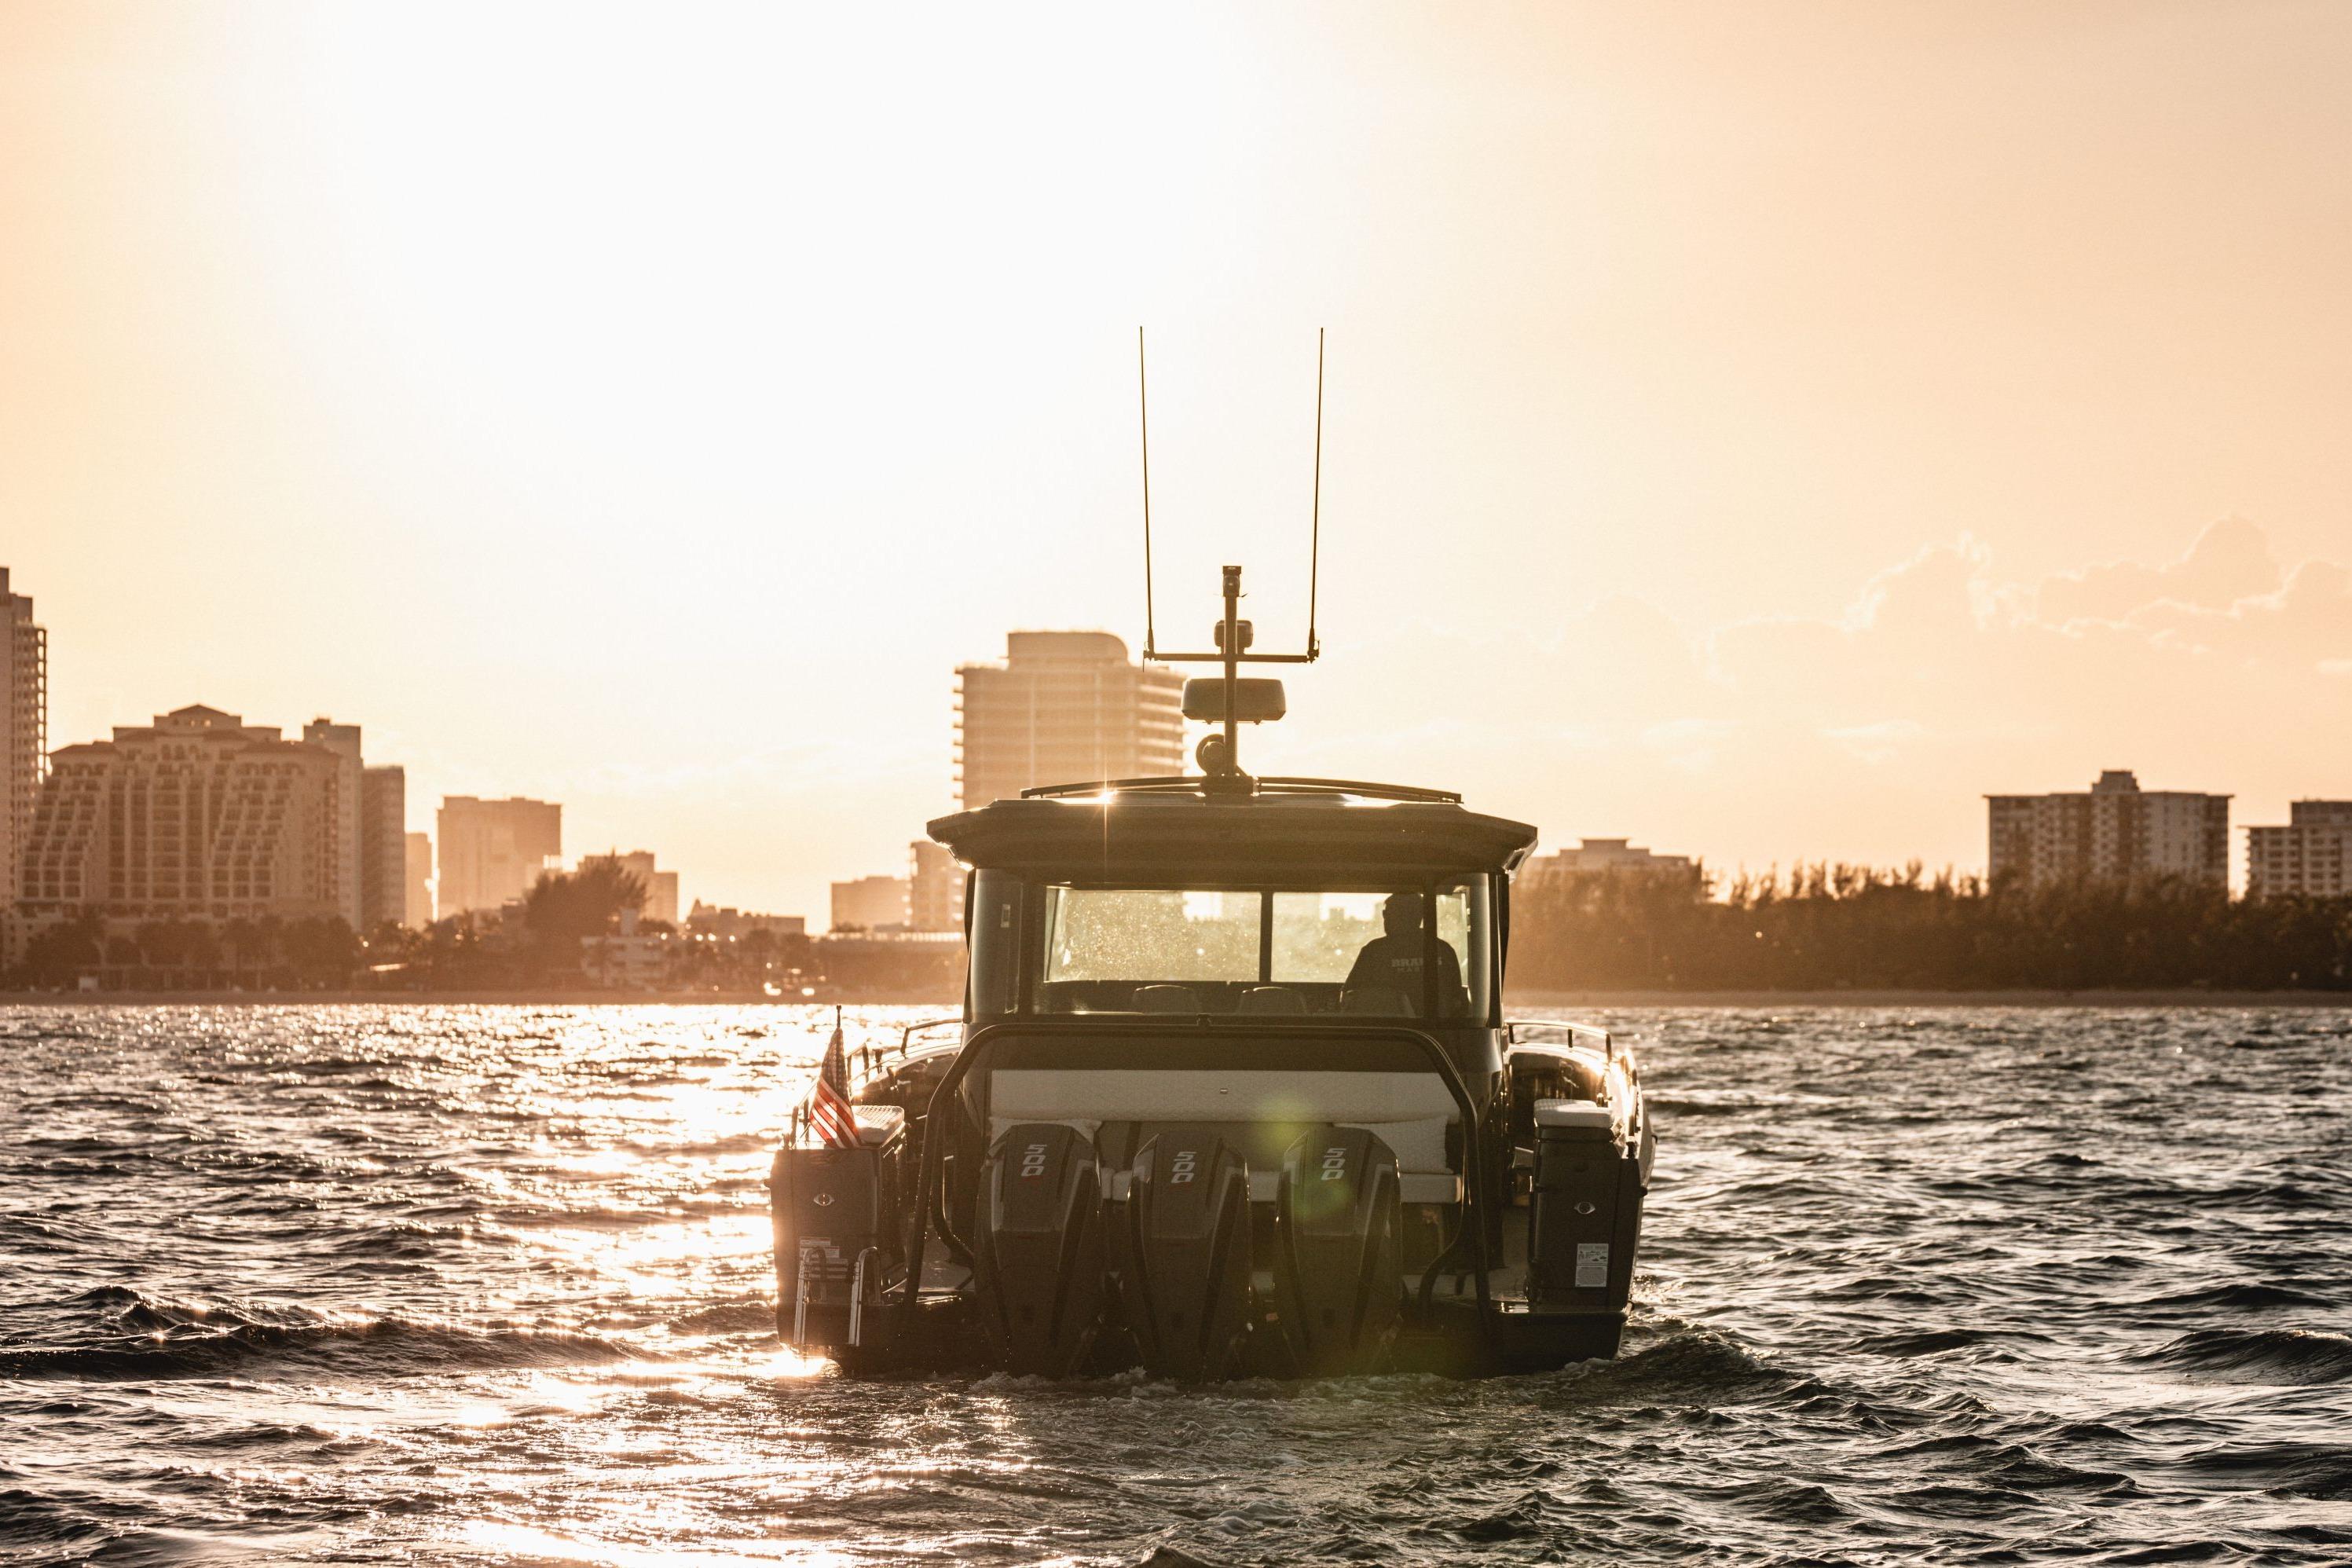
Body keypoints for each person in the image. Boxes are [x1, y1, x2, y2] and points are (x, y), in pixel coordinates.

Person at [1344, 892, 1464, 1014]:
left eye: (1388, 913)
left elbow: (1350, 998)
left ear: (1413, 916)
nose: (1386, 919)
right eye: (1385, 914)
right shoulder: (1443, 950)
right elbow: (1456, 1001)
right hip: (1436, 1026)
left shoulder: (1374, 951)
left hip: (1388, 1025)